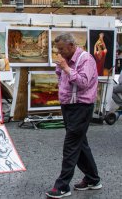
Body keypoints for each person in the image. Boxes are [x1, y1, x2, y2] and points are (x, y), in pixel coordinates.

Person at [46, 33, 101, 199]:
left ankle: (62, 186)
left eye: (62, 49)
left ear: (71, 46)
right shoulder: (65, 58)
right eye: (58, 49)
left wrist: (66, 68)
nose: (59, 52)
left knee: (71, 145)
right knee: (80, 144)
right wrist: (61, 69)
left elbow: (83, 82)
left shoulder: (86, 59)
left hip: (81, 106)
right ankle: (93, 179)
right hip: (68, 105)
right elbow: (60, 76)